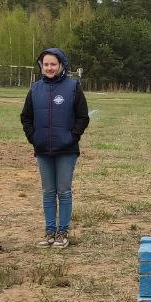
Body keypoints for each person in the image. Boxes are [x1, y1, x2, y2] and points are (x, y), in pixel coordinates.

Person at [20, 47, 89, 248]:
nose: (49, 68)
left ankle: (63, 232)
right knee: (48, 192)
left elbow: (83, 117)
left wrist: (72, 136)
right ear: (41, 66)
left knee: (64, 191)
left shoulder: (73, 87)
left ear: (61, 66)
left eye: (53, 64)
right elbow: (26, 117)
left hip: (66, 150)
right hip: (43, 150)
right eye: (46, 64)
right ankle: (50, 231)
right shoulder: (35, 89)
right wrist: (34, 137)